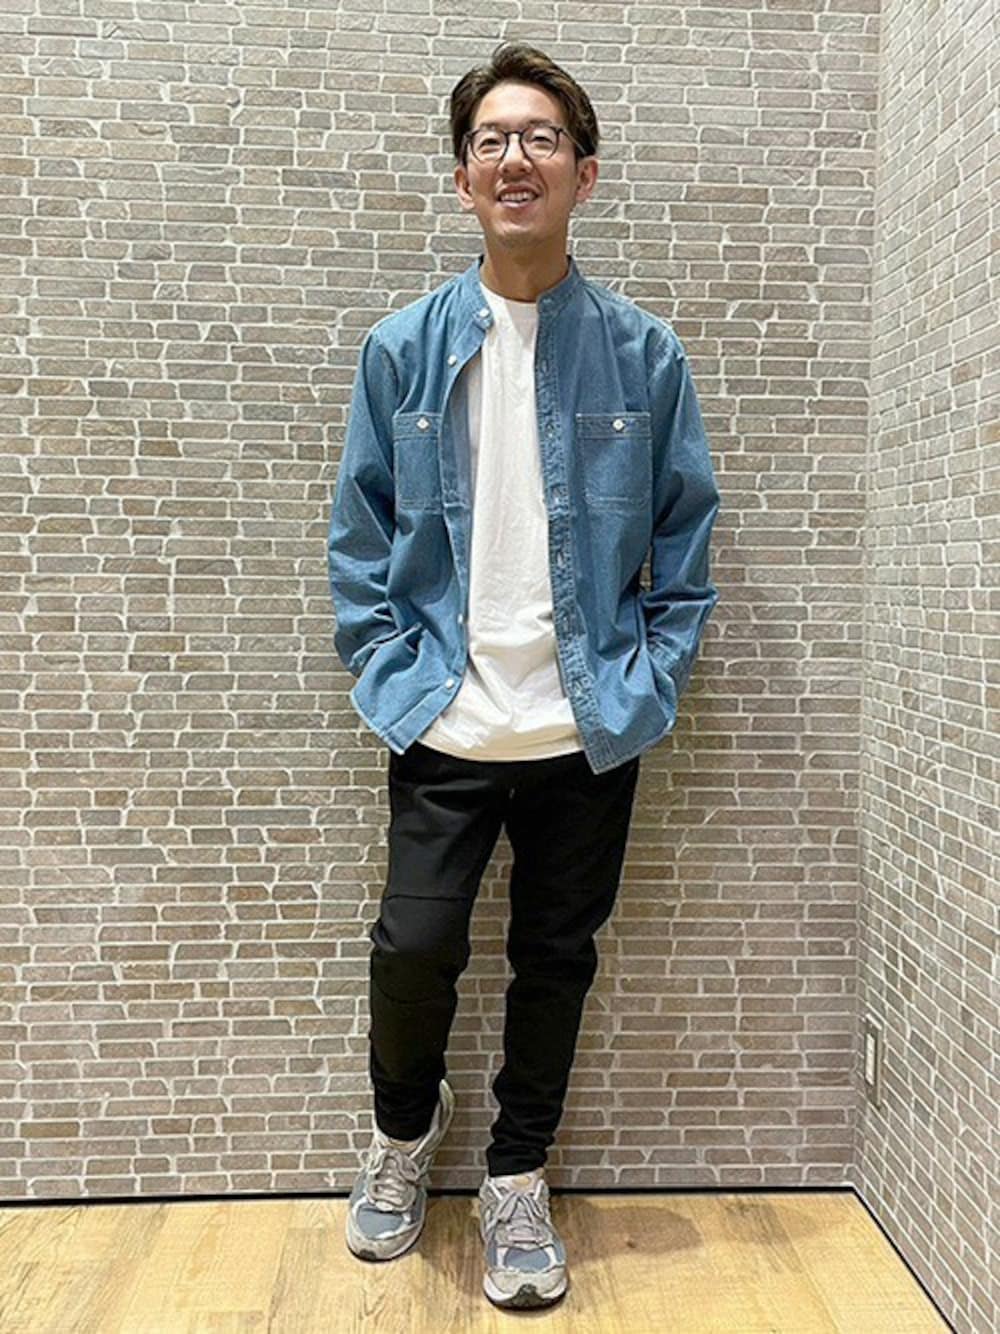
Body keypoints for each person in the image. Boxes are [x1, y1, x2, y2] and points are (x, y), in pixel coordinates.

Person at [328, 40, 721, 1311]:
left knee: (557, 959)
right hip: (442, 717)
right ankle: (401, 1136)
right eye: (491, 140)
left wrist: (650, 676)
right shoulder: (402, 349)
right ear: (462, 177)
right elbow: (359, 537)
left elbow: (685, 540)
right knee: (414, 946)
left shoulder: (644, 355)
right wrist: (390, 664)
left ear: (582, 174)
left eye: (540, 138)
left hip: (585, 727)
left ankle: (515, 1176)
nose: (515, 158)